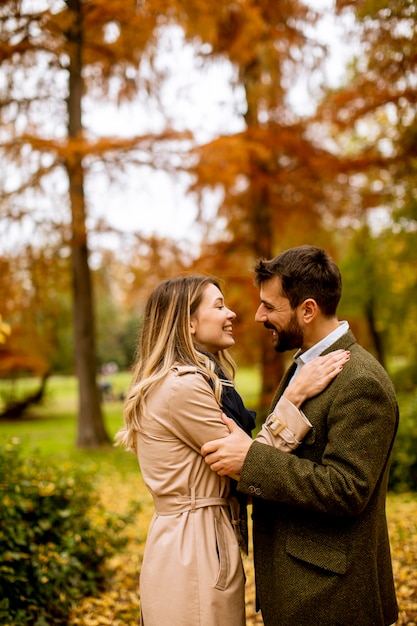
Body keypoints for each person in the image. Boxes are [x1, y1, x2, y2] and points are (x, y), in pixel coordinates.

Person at [115, 275, 349, 626]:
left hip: (192, 541)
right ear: (188, 323)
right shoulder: (184, 387)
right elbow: (246, 466)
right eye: (219, 305)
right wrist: (294, 396)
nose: (233, 314)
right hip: (194, 550)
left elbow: (243, 461)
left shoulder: (190, 380)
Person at [202, 245, 400, 626]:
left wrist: (251, 462)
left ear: (307, 310)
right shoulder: (305, 366)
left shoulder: (360, 381)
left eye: (270, 307)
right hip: (300, 590)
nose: (259, 315)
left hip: (332, 599)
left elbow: (348, 488)